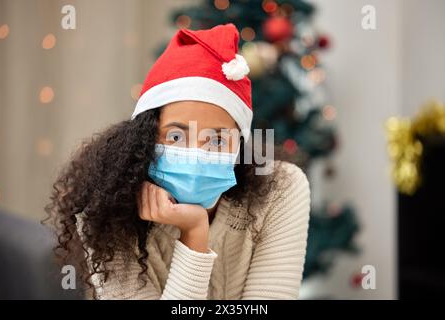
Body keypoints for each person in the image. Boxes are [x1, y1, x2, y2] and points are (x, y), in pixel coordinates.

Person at [45, 23, 311, 300]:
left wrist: (194, 227)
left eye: (217, 140)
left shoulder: (282, 189)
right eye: (175, 135)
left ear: (240, 147)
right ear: (145, 137)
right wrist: (195, 234)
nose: (197, 154)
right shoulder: (105, 209)